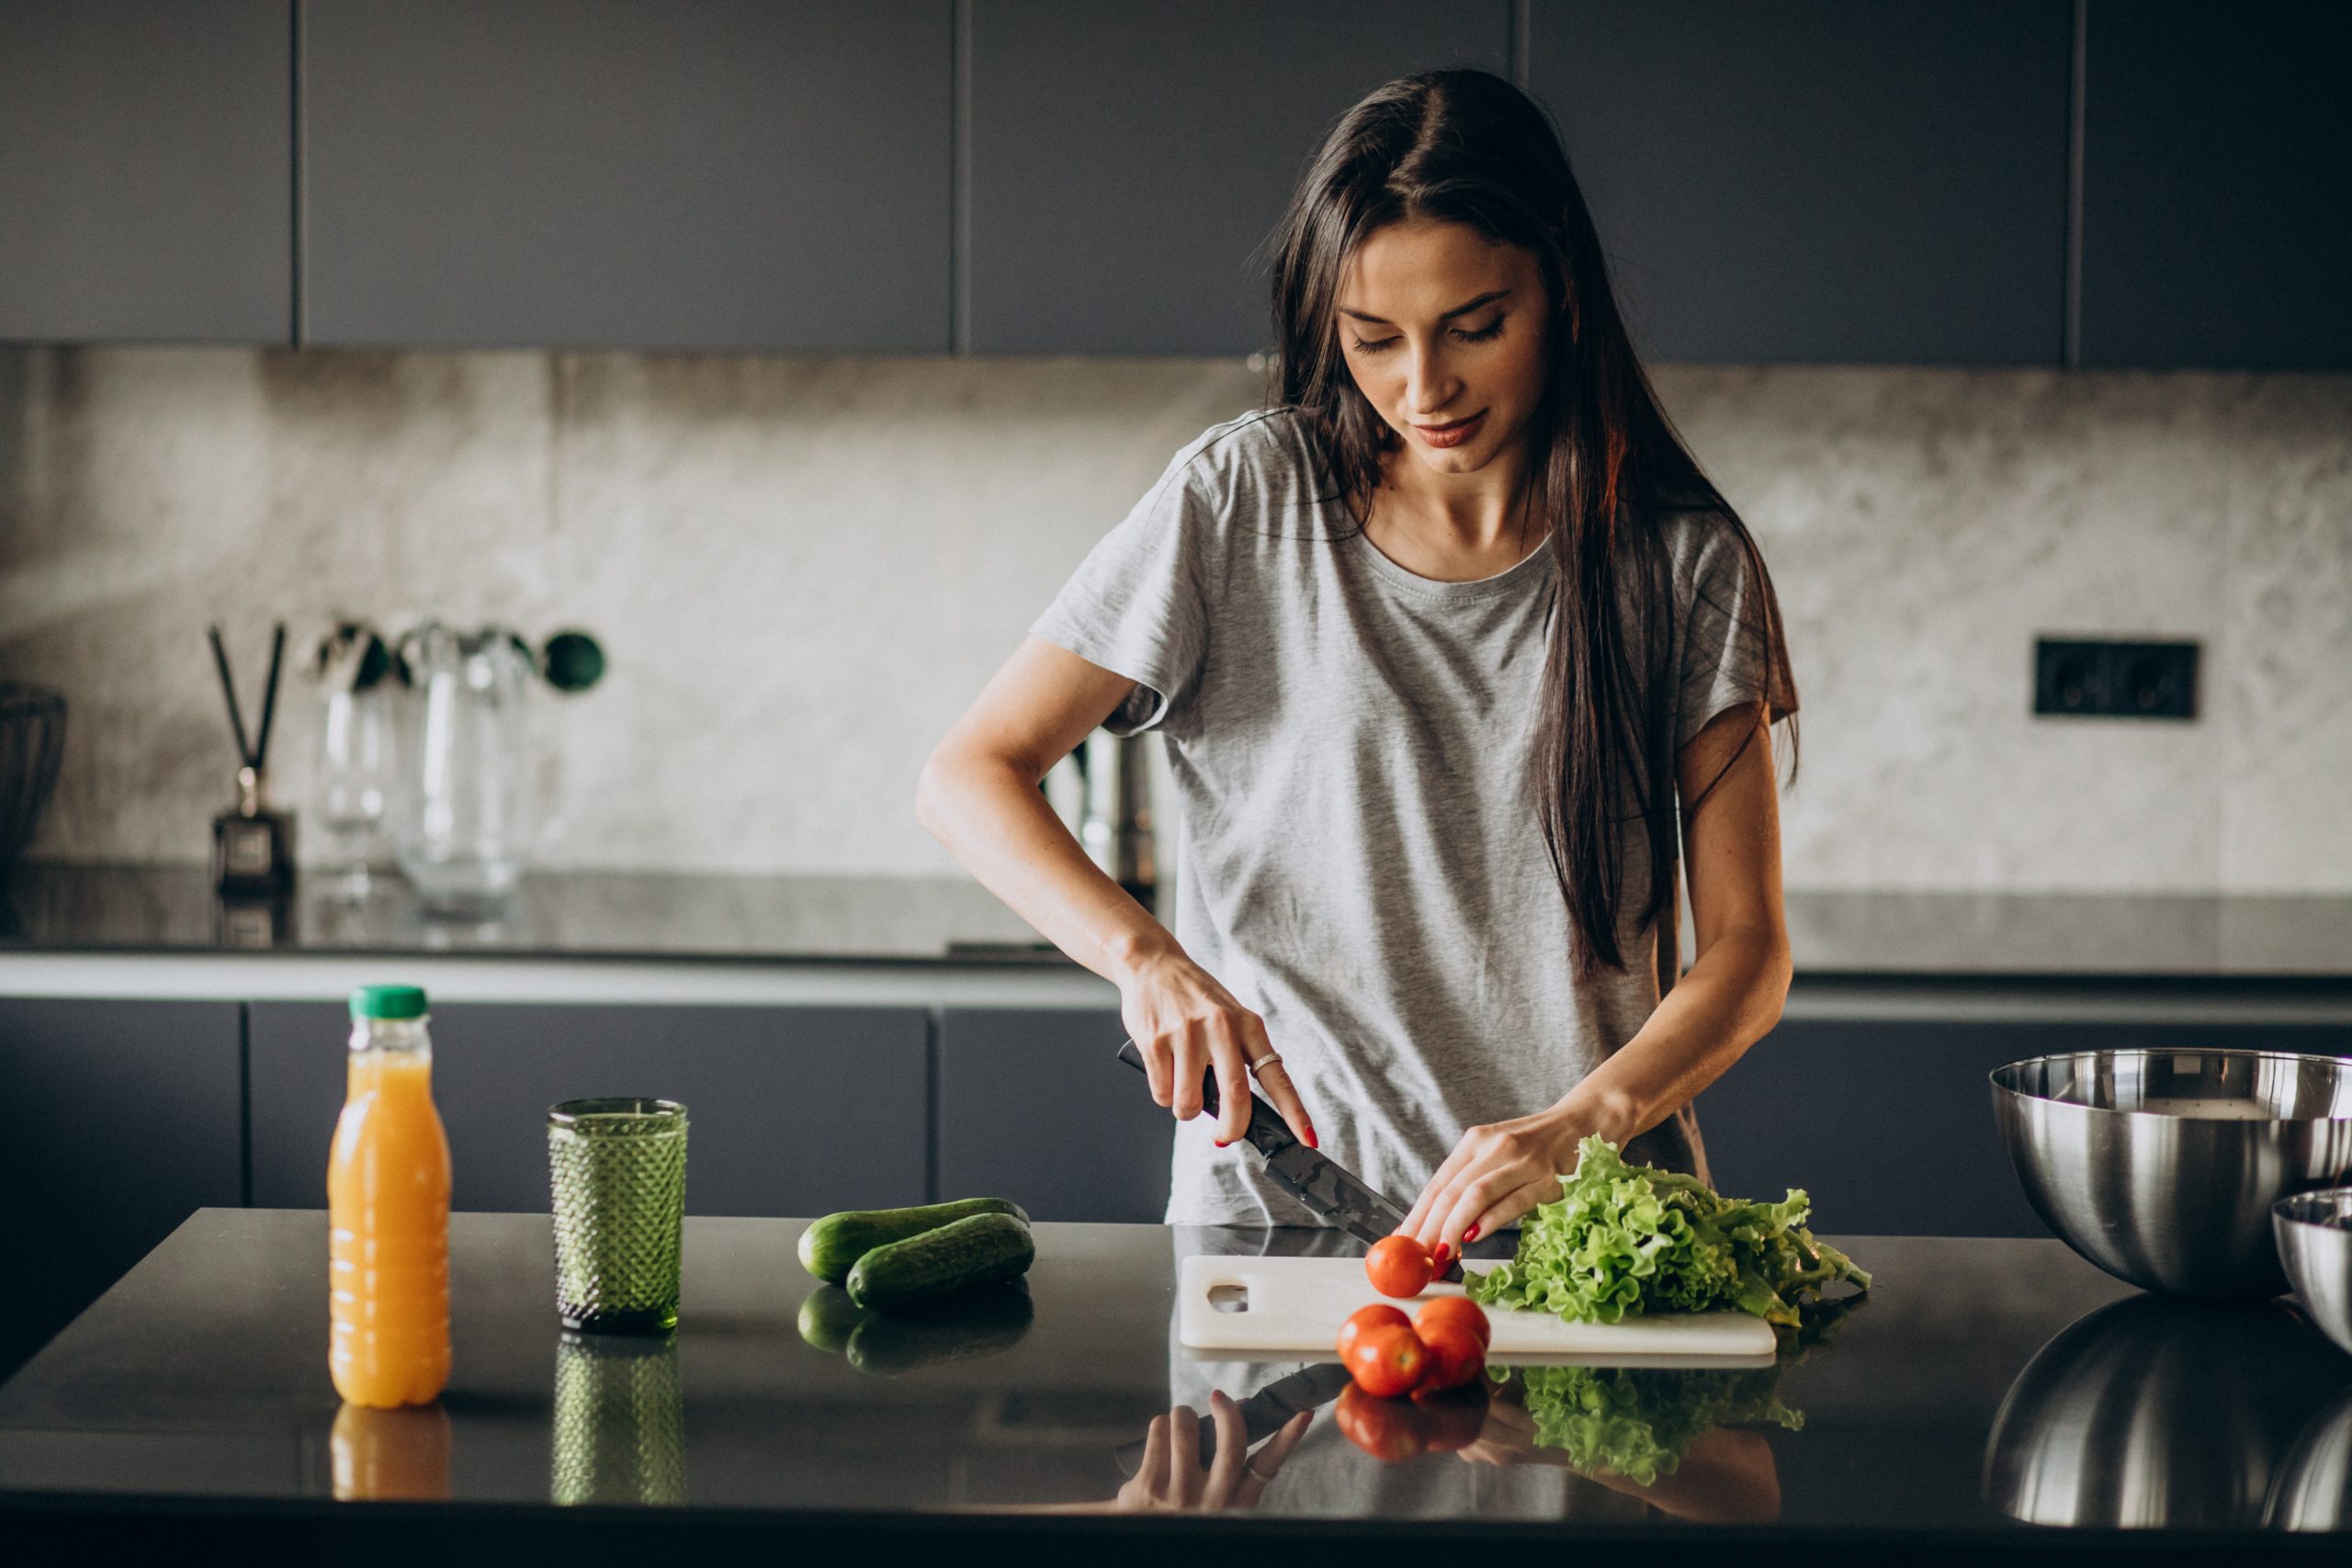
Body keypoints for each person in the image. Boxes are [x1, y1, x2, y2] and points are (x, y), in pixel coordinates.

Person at [917, 67, 1798, 1261]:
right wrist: (1146, 958)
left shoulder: (1682, 560)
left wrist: (1581, 1125)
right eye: (1374, 338)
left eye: (1476, 327)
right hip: (1281, 1224)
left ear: (1567, 296)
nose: (1422, 388)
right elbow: (971, 771)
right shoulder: (1239, 502)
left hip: (1589, 1231)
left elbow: (1746, 951)